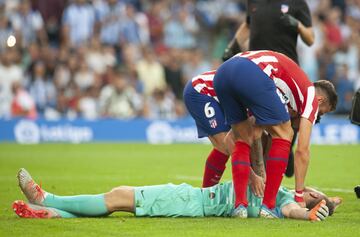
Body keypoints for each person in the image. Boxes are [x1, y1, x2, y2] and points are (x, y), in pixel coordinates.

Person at [213, 50, 337, 218]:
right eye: (321, 113)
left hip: (223, 73)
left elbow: (237, 136)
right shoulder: (310, 96)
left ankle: (240, 206)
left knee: (242, 138)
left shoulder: (285, 92)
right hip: (251, 71)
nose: (317, 117)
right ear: (320, 100)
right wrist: (299, 194)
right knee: (286, 133)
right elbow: (302, 150)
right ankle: (268, 206)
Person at [13, 168, 333, 221]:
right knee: (116, 203)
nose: (314, 191)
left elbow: (292, 211)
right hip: (192, 198)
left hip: (191, 201)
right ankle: (52, 213)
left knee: (117, 196)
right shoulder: (281, 191)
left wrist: (308, 213)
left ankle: (47, 199)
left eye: (318, 195)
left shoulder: (284, 198)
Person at [222, 0, 315, 177]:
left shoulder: (297, 3)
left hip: (284, 75)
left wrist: (298, 25)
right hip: (256, 72)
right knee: (255, 126)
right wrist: (232, 46)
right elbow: (247, 25)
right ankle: (265, 171)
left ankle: (281, 152)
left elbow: (310, 38)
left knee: (276, 127)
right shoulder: (254, 2)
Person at [183, 70, 265, 195]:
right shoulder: (262, 100)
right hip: (201, 91)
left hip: (220, 96)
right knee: (224, 144)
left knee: (231, 145)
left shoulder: (263, 99)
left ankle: (207, 194)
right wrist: (253, 176)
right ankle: (206, 194)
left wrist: (261, 174)